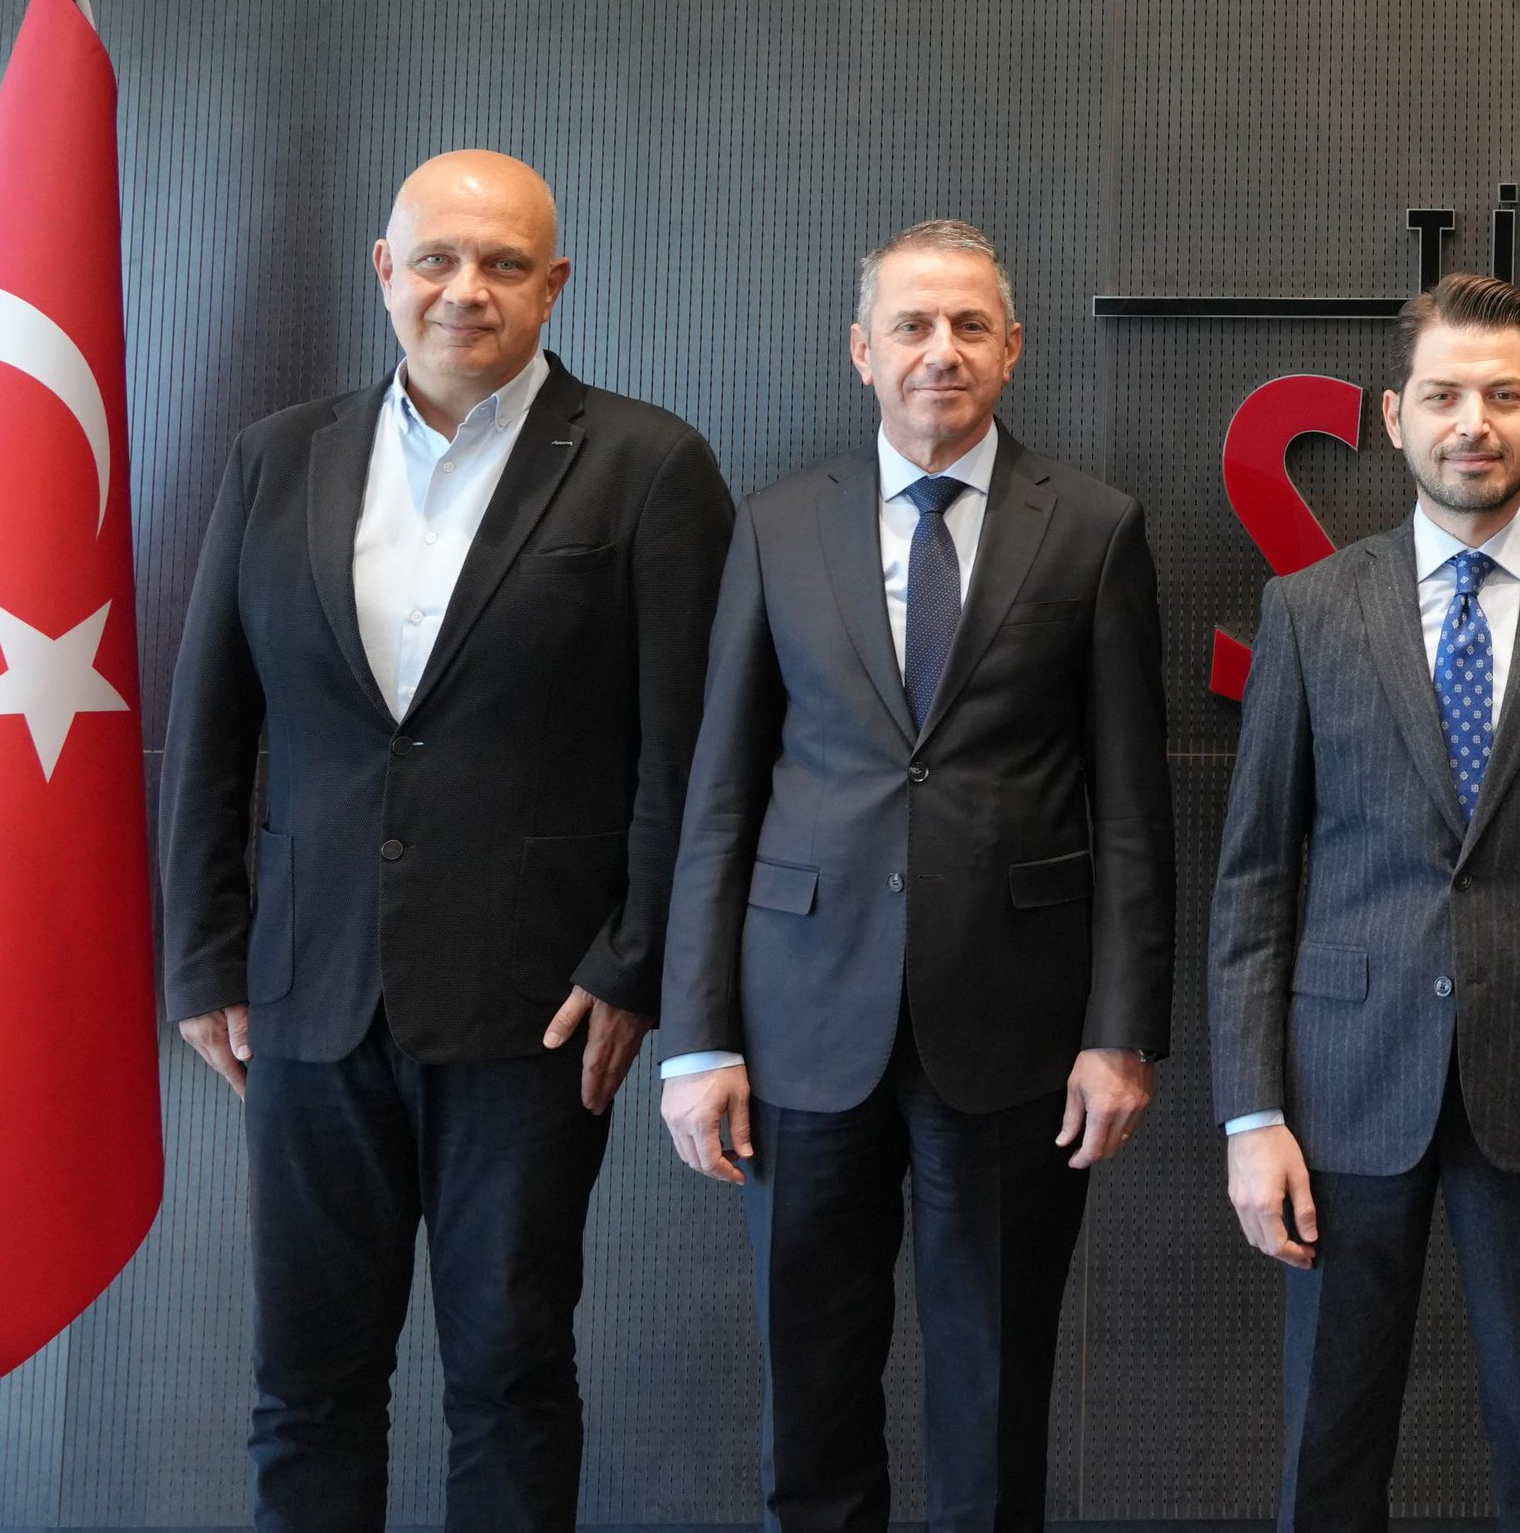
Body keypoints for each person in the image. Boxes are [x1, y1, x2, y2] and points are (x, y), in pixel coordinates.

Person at [158, 149, 734, 1533]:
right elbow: (210, 728)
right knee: (305, 1387)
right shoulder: (278, 457)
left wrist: (636, 960)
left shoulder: (649, 465)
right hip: (308, 997)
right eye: (435, 259)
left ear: (554, 284)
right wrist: (204, 957)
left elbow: (692, 753)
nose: (464, 290)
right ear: (385, 270)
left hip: (534, 1010)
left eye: (501, 264)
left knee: (510, 1376)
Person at [654, 218, 1173, 1533]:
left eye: (969, 326)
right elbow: (720, 793)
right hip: (799, 1021)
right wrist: (697, 1036)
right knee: (811, 1379)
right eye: (912, 326)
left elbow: (1132, 807)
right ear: (861, 349)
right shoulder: (776, 525)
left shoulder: (1095, 528)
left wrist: (1121, 1032)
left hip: (1015, 1027)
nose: (941, 351)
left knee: (993, 1383)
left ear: (1013, 347)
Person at [1212, 272, 1520, 1533]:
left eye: (1500, 396)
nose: (1470, 424)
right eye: (1441, 396)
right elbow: (1255, 877)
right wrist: (1252, 1113)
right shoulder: (1308, 609)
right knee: (1328, 1458)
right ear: (1394, 417)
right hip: (1343, 1091)